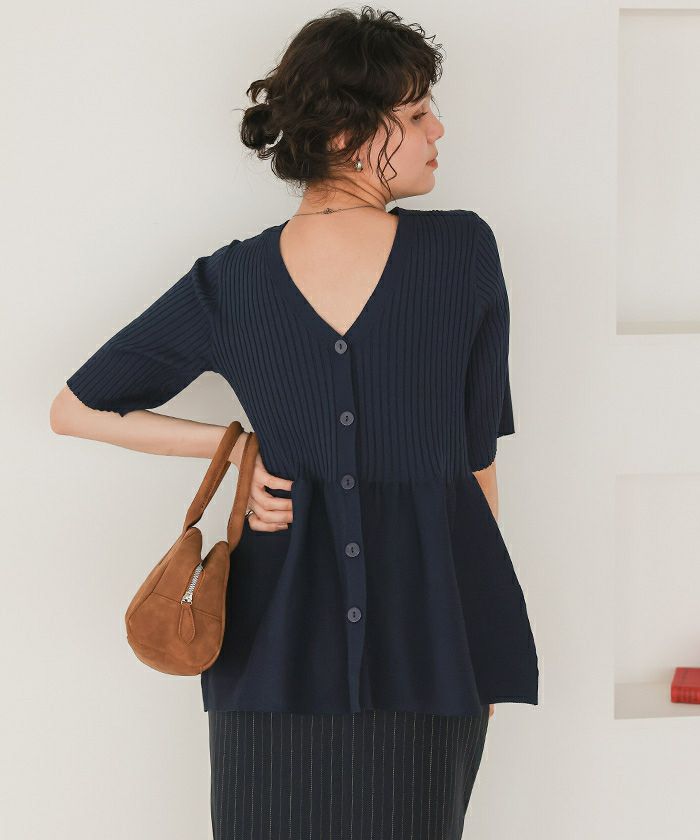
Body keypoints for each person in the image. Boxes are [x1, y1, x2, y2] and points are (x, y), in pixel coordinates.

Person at [51, 7, 538, 839]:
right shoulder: (460, 252)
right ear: (348, 133)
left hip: (270, 658)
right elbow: (476, 463)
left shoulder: (234, 280)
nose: (438, 130)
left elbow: (77, 407)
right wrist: (236, 449)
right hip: (427, 646)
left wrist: (240, 447)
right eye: (417, 113)